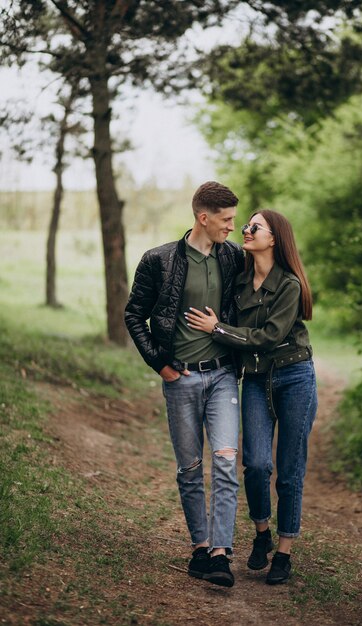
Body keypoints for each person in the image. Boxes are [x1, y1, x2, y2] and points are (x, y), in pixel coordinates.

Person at [185, 209, 318, 585]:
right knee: (257, 464)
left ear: (274, 237)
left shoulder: (289, 284)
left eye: (254, 226)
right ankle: (262, 532)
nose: (245, 229)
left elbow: (270, 337)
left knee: (290, 472)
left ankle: (284, 554)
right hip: (257, 380)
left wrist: (218, 329)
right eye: (245, 225)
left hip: (294, 378)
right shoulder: (240, 281)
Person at [125, 181, 244, 588]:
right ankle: (200, 546)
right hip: (182, 379)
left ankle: (220, 554)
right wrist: (161, 365)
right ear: (203, 217)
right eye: (226, 220)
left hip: (224, 375)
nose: (233, 227)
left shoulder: (233, 259)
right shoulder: (159, 260)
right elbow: (134, 315)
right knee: (191, 469)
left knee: (226, 463)